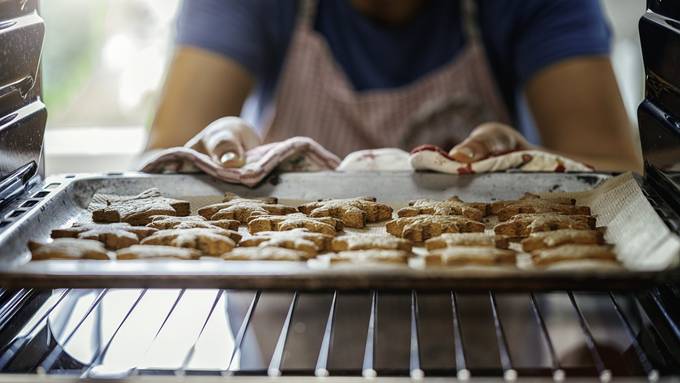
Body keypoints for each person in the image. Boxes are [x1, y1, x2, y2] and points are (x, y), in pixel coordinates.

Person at [148, 0, 641, 171]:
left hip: (487, 333)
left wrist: (533, 169)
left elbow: (617, 176)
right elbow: (160, 168)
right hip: (285, 332)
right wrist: (214, 157)